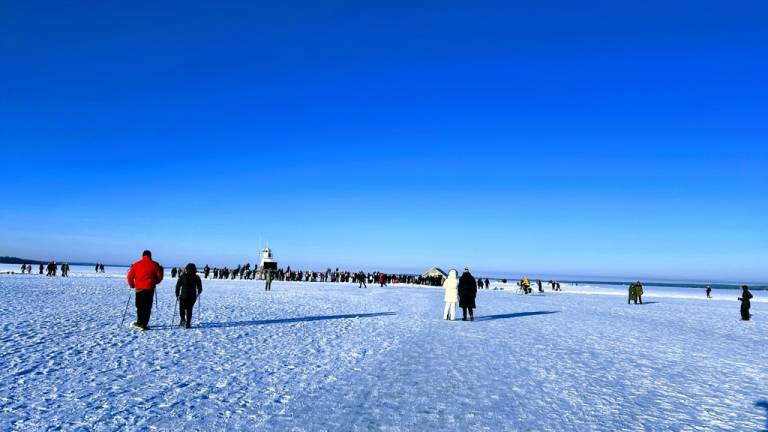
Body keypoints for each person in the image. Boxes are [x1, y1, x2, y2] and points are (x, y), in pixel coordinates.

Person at [126, 250, 164, 330]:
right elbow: (160, 277)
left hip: (139, 289)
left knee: (139, 306)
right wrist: (154, 282)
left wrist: (132, 285)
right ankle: (144, 324)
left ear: (142, 256)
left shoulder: (136, 264)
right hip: (149, 289)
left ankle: (139, 322)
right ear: (150, 256)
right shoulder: (155, 264)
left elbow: (129, 277)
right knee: (147, 307)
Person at [175, 263, 202, 328]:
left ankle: (183, 320)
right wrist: (198, 292)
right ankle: (188, 323)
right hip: (192, 296)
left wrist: (177, 294)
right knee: (189, 309)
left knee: (182, 309)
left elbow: (177, 286)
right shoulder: (197, 277)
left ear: (187, 269)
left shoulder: (182, 276)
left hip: (183, 296)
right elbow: (200, 288)